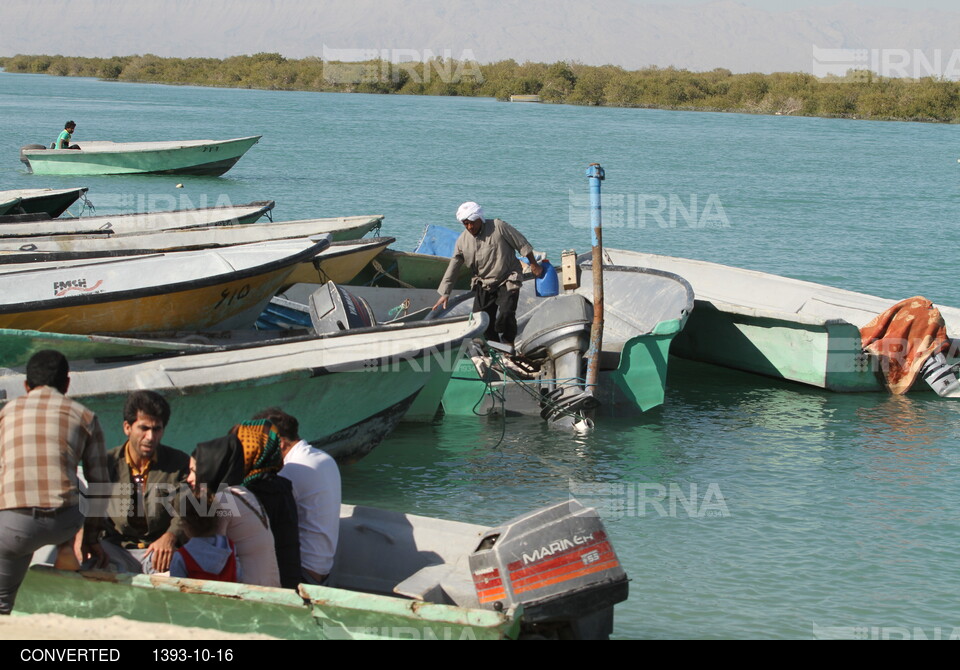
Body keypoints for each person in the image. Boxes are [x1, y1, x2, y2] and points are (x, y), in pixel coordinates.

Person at [0, 350, 108, 615]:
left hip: (15, 526)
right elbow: (101, 485)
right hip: (65, 522)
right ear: (67, 384)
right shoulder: (85, 416)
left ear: (26, 386)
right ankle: (66, 547)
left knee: (2, 600)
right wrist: (92, 538)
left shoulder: (6, 413)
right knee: (75, 481)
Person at [193, 420, 301, 589]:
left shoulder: (248, 492)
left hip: (259, 592)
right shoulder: (278, 486)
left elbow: (211, 553)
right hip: (286, 582)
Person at [101, 391, 189, 574]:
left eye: (156, 429)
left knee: (174, 577)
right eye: (144, 428)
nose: (150, 437)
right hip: (116, 548)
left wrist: (171, 536)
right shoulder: (105, 463)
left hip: (158, 551)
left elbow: (188, 509)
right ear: (127, 427)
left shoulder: (179, 463)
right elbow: (88, 510)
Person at [433, 201, 543, 346]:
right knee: (481, 319)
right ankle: (495, 346)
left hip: (508, 278)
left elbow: (521, 244)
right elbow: (454, 265)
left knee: (506, 313)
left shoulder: (498, 227)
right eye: (466, 223)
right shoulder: (462, 241)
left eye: (472, 222)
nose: (470, 227)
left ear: (480, 218)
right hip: (484, 283)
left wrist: (534, 264)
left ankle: (508, 340)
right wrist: (445, 293)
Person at [253, 408, 340, 585]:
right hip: (322, 567)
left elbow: (258, 513)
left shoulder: (292, 469)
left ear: (281, 444)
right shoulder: (323, 457)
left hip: (302, 571)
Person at [187, 450, 281, 588]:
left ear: (209, 470)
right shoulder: (244, 492)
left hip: (251, 596)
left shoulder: (221, 500)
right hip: (272, 590)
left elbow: (210, 561)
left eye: (193, 471)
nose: (189, 478)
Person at [168, 491, 242, 583]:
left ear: (185, 524)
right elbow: (238, 577)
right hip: (226, 596)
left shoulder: (181, 557)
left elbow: (176, 591)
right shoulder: (230, 548)